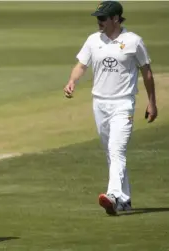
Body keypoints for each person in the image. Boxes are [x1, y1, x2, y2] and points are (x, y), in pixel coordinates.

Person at [63, 1, 158, 215]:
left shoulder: (133, 41)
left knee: (117, 150)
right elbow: (81, 65)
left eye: (103, 18)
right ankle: (124, 199)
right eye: (98, 18)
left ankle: (113, 195)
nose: (99, 22)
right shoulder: (93, 40)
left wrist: (152, 102)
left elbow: (147, 72)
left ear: (116, 18)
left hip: (123, 103)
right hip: (99, 103)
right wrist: (72, 81)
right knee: (110, 152)